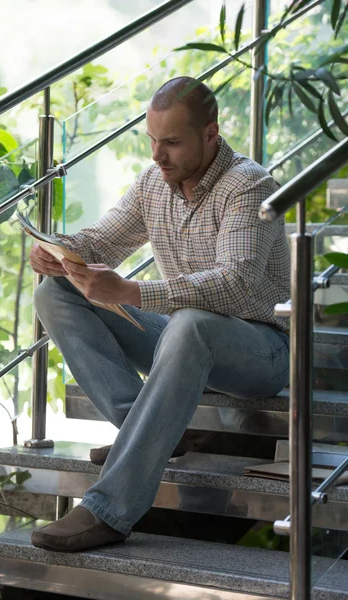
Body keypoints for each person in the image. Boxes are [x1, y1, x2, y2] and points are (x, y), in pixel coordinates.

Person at [30, 76, 290, 553]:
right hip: (182, 339)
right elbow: (101, 239)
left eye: (171, 142)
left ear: (211, 134)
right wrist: (58, 252)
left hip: (261, 352)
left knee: (191, 322)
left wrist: (132, 291)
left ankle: (110, 509)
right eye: (152, 139)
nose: (157, 155)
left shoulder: (249, 187)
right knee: (55, 293)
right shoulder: (156, 182)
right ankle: (147, 432)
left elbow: (234, 285)